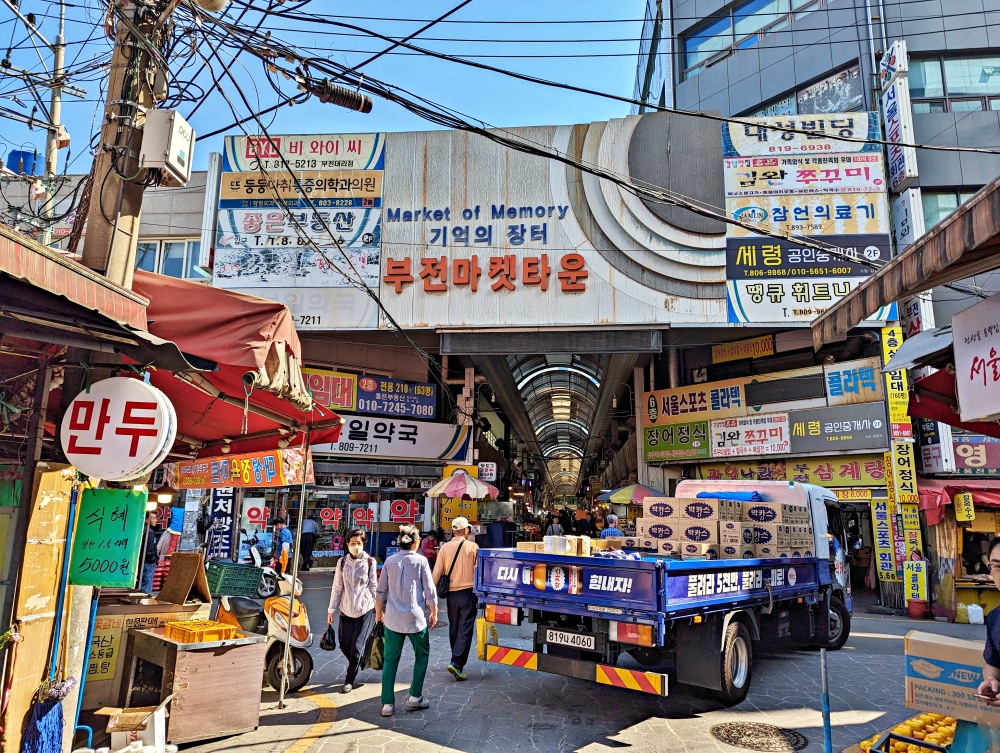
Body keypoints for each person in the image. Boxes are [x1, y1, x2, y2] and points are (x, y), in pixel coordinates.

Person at [376, 524, 438, 717]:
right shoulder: (421, 561)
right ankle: (414, 696)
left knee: (390, 660)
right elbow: (429, 590)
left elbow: (381, 591)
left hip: (393, 619)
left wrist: (379, 611)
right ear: (416, 542)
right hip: (416, 619)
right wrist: (434, 611)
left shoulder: (389, 561)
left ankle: (387, 704)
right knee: (422, 655)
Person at [328, 529, 377, 693]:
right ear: (347, 544)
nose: (356, 546)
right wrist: (331, 610)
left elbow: (373, 586)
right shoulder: (342, 562)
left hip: (365, 609)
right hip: (345, 609)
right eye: (353, 543)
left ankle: (349, 679)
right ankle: (360, 661)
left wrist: (379, 609)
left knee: (356, 647)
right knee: (343, 644)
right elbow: (337, 587)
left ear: (363, 544)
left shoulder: (370, 562)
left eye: (359, 543)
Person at [432, 517, 480, 681]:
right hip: (468, 593)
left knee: (454, 627)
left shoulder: (444, 548)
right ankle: (457, 663)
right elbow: (478, 570)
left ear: (454, 531)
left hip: (451, 595)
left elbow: (437, 571)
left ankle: (455, 658)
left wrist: (430, 595)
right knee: (465, 628)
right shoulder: (473, 547)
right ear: (466, 530)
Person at [140, 512, 158, 593]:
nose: (156, 520)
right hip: (148, 562)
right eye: (153, 518)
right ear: (146, 520)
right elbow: (149, 550)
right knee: (146, 586)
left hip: (142, 562)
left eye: (156, 518)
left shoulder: (141, 530)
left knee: (142, 584)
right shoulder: (149, 532)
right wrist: (153, 560)